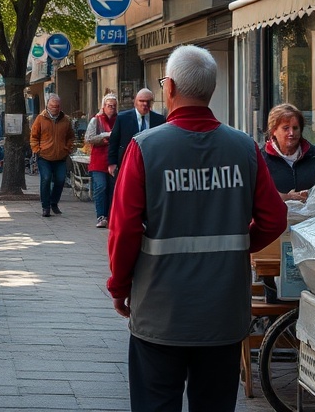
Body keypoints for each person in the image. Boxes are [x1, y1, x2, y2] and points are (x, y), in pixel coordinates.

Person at [107, 46, 287, 412]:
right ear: (211, 89)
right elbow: (275, 218)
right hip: (222, 311)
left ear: (169, 87)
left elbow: (123, 228)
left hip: (160, 310)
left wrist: (120, 287)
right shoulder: (245, 149)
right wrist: (237, 246)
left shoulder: (145, 149)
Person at [263, 102, 315, 201]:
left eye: (295, 128)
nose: (291, 133)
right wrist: (287, 197)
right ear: (273, 131)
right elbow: (254, 195)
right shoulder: (261, 159)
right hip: (277, 215)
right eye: (286, 128)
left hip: (313, 215)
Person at [29, 93, 75, 218]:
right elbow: (34, 136)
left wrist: (68, 148)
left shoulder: (66, 120)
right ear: (47, 106)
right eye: (52, 106)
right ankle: (46, 206)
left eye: (57, 106)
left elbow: (71, 136)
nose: (55, 109)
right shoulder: (40, 118)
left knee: (60, 180)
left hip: (60, 156)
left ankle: (54, 202)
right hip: (44, 156)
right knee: (46, 178)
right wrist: (37, 150)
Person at [107, 87, 165, 178]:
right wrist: (112, 163)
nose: (145, 104)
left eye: (148, 101)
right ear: (135, 102)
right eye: (142, 101)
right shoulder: (123, 118)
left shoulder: (159, 120)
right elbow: (114, 141)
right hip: (127, 164)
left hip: (151, 165)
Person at [84, 94, 117, 228]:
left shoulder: (119, 119)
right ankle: (101, 216)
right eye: (109, 106)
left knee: (112, 188)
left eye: (114, 106)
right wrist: (103, 138)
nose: (112, 109)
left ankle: (110, 215)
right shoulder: (96, 120)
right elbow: (89, 138)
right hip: (98, 161)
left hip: (113, 159)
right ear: (103, 106)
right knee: (101, 187)